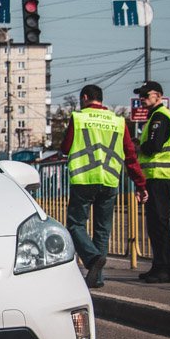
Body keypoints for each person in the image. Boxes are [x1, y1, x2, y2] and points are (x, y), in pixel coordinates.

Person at [59, 84, 148, 288]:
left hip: (84, 179)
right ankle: (96, 278)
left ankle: (91, 259)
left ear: (85, 97)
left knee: (75, 225)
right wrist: (141, 185)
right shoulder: (118, 121)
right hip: (109, 180)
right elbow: (130, 155)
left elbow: (65, 147)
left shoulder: (79, 118)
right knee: (102, 230)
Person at [134, 80, 170, 283]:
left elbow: (154, 146)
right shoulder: (154, 117)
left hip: (160, 177)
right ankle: (159, 266)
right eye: (141, 95)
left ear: (158, 96)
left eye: (146, 95)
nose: (142, 99)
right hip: (156, 177)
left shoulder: (160, 117)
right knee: (155, 224)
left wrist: (138, 147)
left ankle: (166, 269)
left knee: (159, 223)